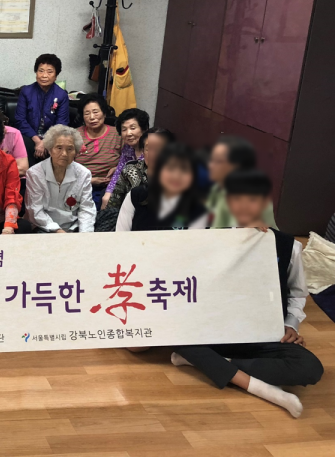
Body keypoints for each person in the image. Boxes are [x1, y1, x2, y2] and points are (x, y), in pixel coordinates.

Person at [171, 170, 324, 418]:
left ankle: (213, 364)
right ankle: (265, 390)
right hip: (216, 331)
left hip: (264, 334)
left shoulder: (288, 245)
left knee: (311, 368)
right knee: (175, 334)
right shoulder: (210, 237)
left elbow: (297, 293)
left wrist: (290, 324)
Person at [116, 143, 209, 231]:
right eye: (170, 168)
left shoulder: (198, 208)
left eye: (184, 169)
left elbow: (193, 241)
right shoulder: (135, 196)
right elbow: (120, 236)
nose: (176, 176)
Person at [25, 124, 96, 233]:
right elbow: (35, 210)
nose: (64, 154)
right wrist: (58, 231)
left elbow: (86, 209)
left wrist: (84, 235)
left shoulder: (84, 173)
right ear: (50, 149)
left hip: (74, 227)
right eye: (59, 148)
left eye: (70, 149)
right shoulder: (35, 173)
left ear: (76, 152)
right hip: (45, 227)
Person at [207, 135, 277, 229]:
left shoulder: (259, 200)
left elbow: (273, 234)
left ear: (237, 166)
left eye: (218, 161)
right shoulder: (216, 189)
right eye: (211, 159)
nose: (210, 165)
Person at [15, 54, 69, 162]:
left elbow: (61, 123)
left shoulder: (61, 95)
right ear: (36, 72)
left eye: (49, 72)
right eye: (41, 71)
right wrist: (37, 140)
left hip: (52, 137)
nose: (44, 75)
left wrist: (45, 142)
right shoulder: (26, 91)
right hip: (29, 136)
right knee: (23, 143)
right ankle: (28, 172)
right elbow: (20, 119)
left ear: (56, 75)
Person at [75, 93, 121, 210]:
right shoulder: (74, 136)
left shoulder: (118, 134)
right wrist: (89, 181)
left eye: (96, 112)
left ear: (104, 113)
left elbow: (129, 159)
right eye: (87, 113)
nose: (92, 117)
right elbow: (64, 167)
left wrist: (118, 168)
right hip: (79, 185)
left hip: (110, 187)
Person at [103, 108, 150, 208]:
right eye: (124, 129)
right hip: (126, 191)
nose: (128, 133)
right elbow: (119, 171)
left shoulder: (151, 149)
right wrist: (108, 193)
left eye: (133, 128)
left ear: (144, 129)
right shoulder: (127, 148)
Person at [0, 108, 29, 178]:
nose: (5, 129)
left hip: (12, 179)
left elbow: (23, 169)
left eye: (3, 123)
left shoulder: (14, 134)